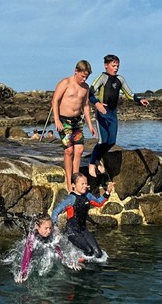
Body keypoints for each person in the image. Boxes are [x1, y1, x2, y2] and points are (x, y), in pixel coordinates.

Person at [88, 54, 149, 177]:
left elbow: (130, 94)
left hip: (113, 113)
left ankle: (98, 158)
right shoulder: (102, 78)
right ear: (106, 66)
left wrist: (139, 100)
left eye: (117, 66)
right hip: (102, 113)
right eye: (113, 65)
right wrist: (97, 103)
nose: (116, 68)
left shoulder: (120, 79)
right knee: (102, 141)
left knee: (111, 142)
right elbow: (90, 93)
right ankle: (92, 163)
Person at [52, 60, 96, 192]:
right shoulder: (65, 83)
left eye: (86, 77)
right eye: (82, 76)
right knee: (69, 150)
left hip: (77, 121)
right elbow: (55, 100)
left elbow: (86, 106)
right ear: (76, 71)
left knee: (79, 150)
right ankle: (68, 181)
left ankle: (76, 180)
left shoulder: (86, 87)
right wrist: (56, 120)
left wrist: (90, 124)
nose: (84, 79)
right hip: (64, 120)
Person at [52, 172, 114, 259]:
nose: (85, 186)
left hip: (83, 230)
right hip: (72, 232)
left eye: (86, 183)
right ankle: (76, 263)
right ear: (73, 185)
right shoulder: (71, 199)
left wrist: (107, 192)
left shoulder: (88, 196)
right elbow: (55, 211)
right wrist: (54, 226)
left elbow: (99, 203)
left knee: (98, 254)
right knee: (89, 251)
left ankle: (82, 260)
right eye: (82, 184)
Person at [16, 213, 83, 283]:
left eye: (50, 228)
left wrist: (69, 263)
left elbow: (58, 249)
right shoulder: (32, 237)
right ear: (38, 227)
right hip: (36, 249)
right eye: (46, 228)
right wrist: (23, 273)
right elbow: (27, 255)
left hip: (46, 243)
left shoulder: (52, 233)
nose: (49, 231)